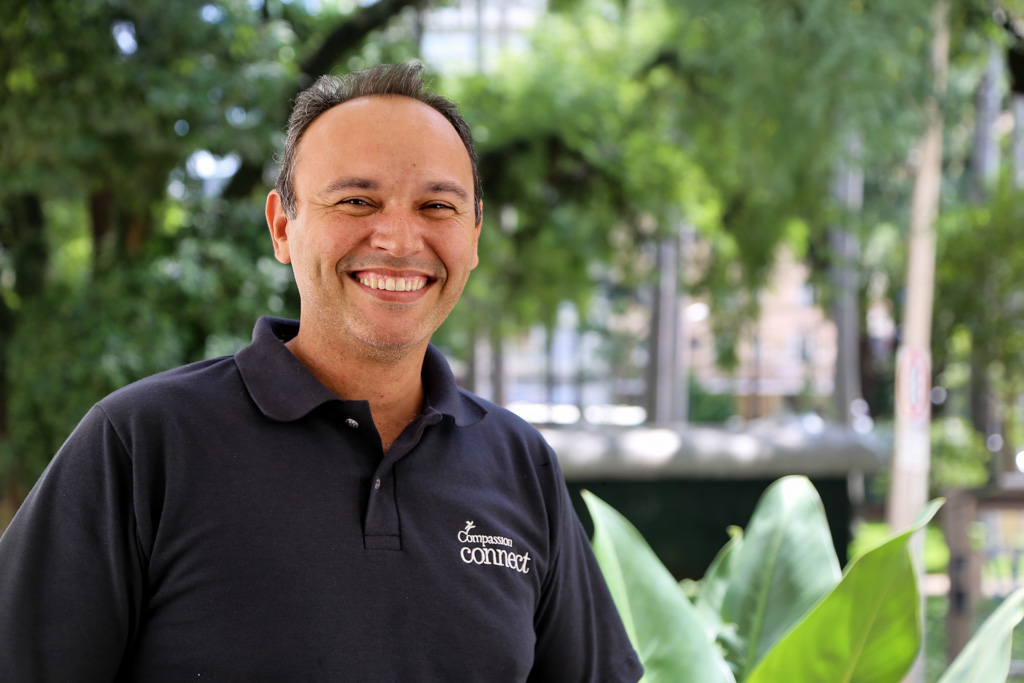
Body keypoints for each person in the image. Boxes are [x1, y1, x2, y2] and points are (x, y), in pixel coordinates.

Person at [0, 62, 643, 682]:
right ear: (283, 227)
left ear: (474, 234)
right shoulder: (141, 444)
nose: (397, 238)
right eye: (357, 200)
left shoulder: (521, 464)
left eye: (437, 207)